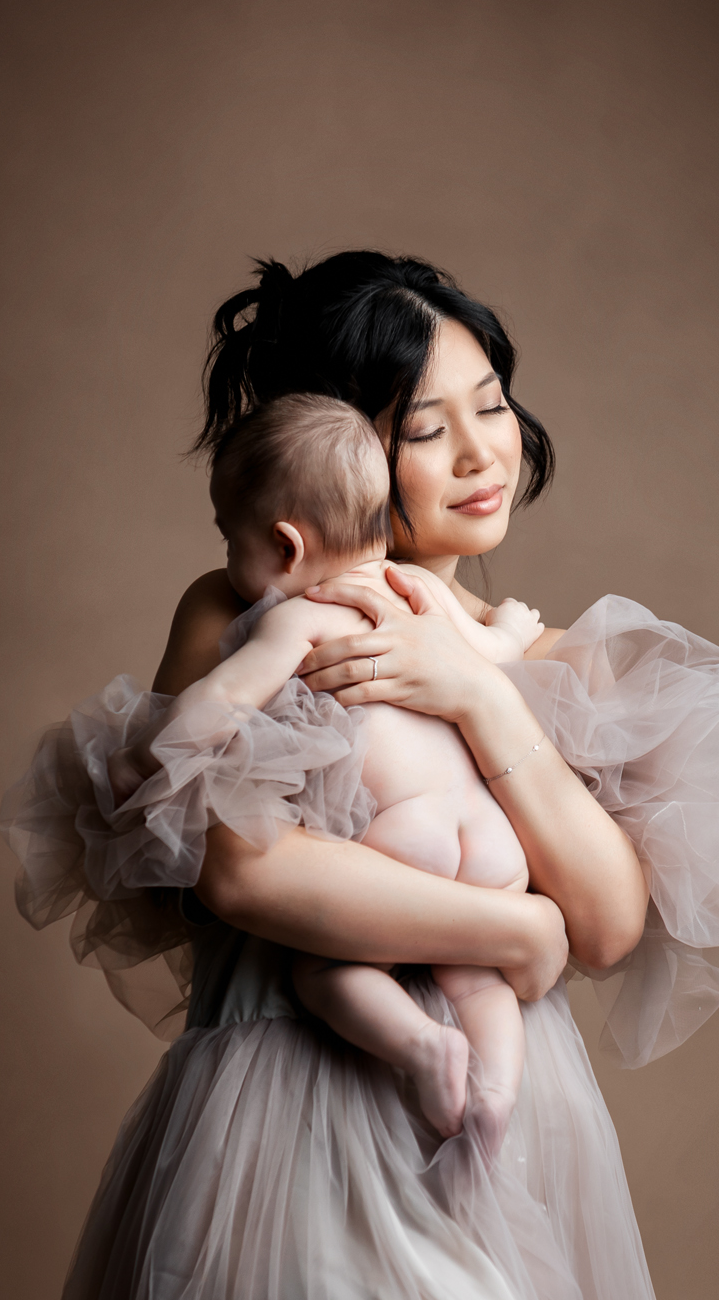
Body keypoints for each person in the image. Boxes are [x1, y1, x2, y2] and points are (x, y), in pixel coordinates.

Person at [0, 252, 719, 1300]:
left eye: (494, 405)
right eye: (430, 425)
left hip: (496, 1154)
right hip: (284, 1143)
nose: (484, 449)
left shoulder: (541, 657)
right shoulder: (250, 608)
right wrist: (512, 934)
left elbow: (608, 920)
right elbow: (247, 876)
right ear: (347, 442)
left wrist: (485, 697)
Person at [109, 389, 546, 1147]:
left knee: (320, 973)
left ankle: (423, 1049)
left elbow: (219, 704)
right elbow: (495, 659)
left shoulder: (297, 615)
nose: (226, 561)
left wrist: (150, 754)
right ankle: (496, 1094)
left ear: (283, 545)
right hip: (487, 842)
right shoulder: (420, 594)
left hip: (401, 842)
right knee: (476, 976)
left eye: (229, 541)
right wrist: (508, 626)